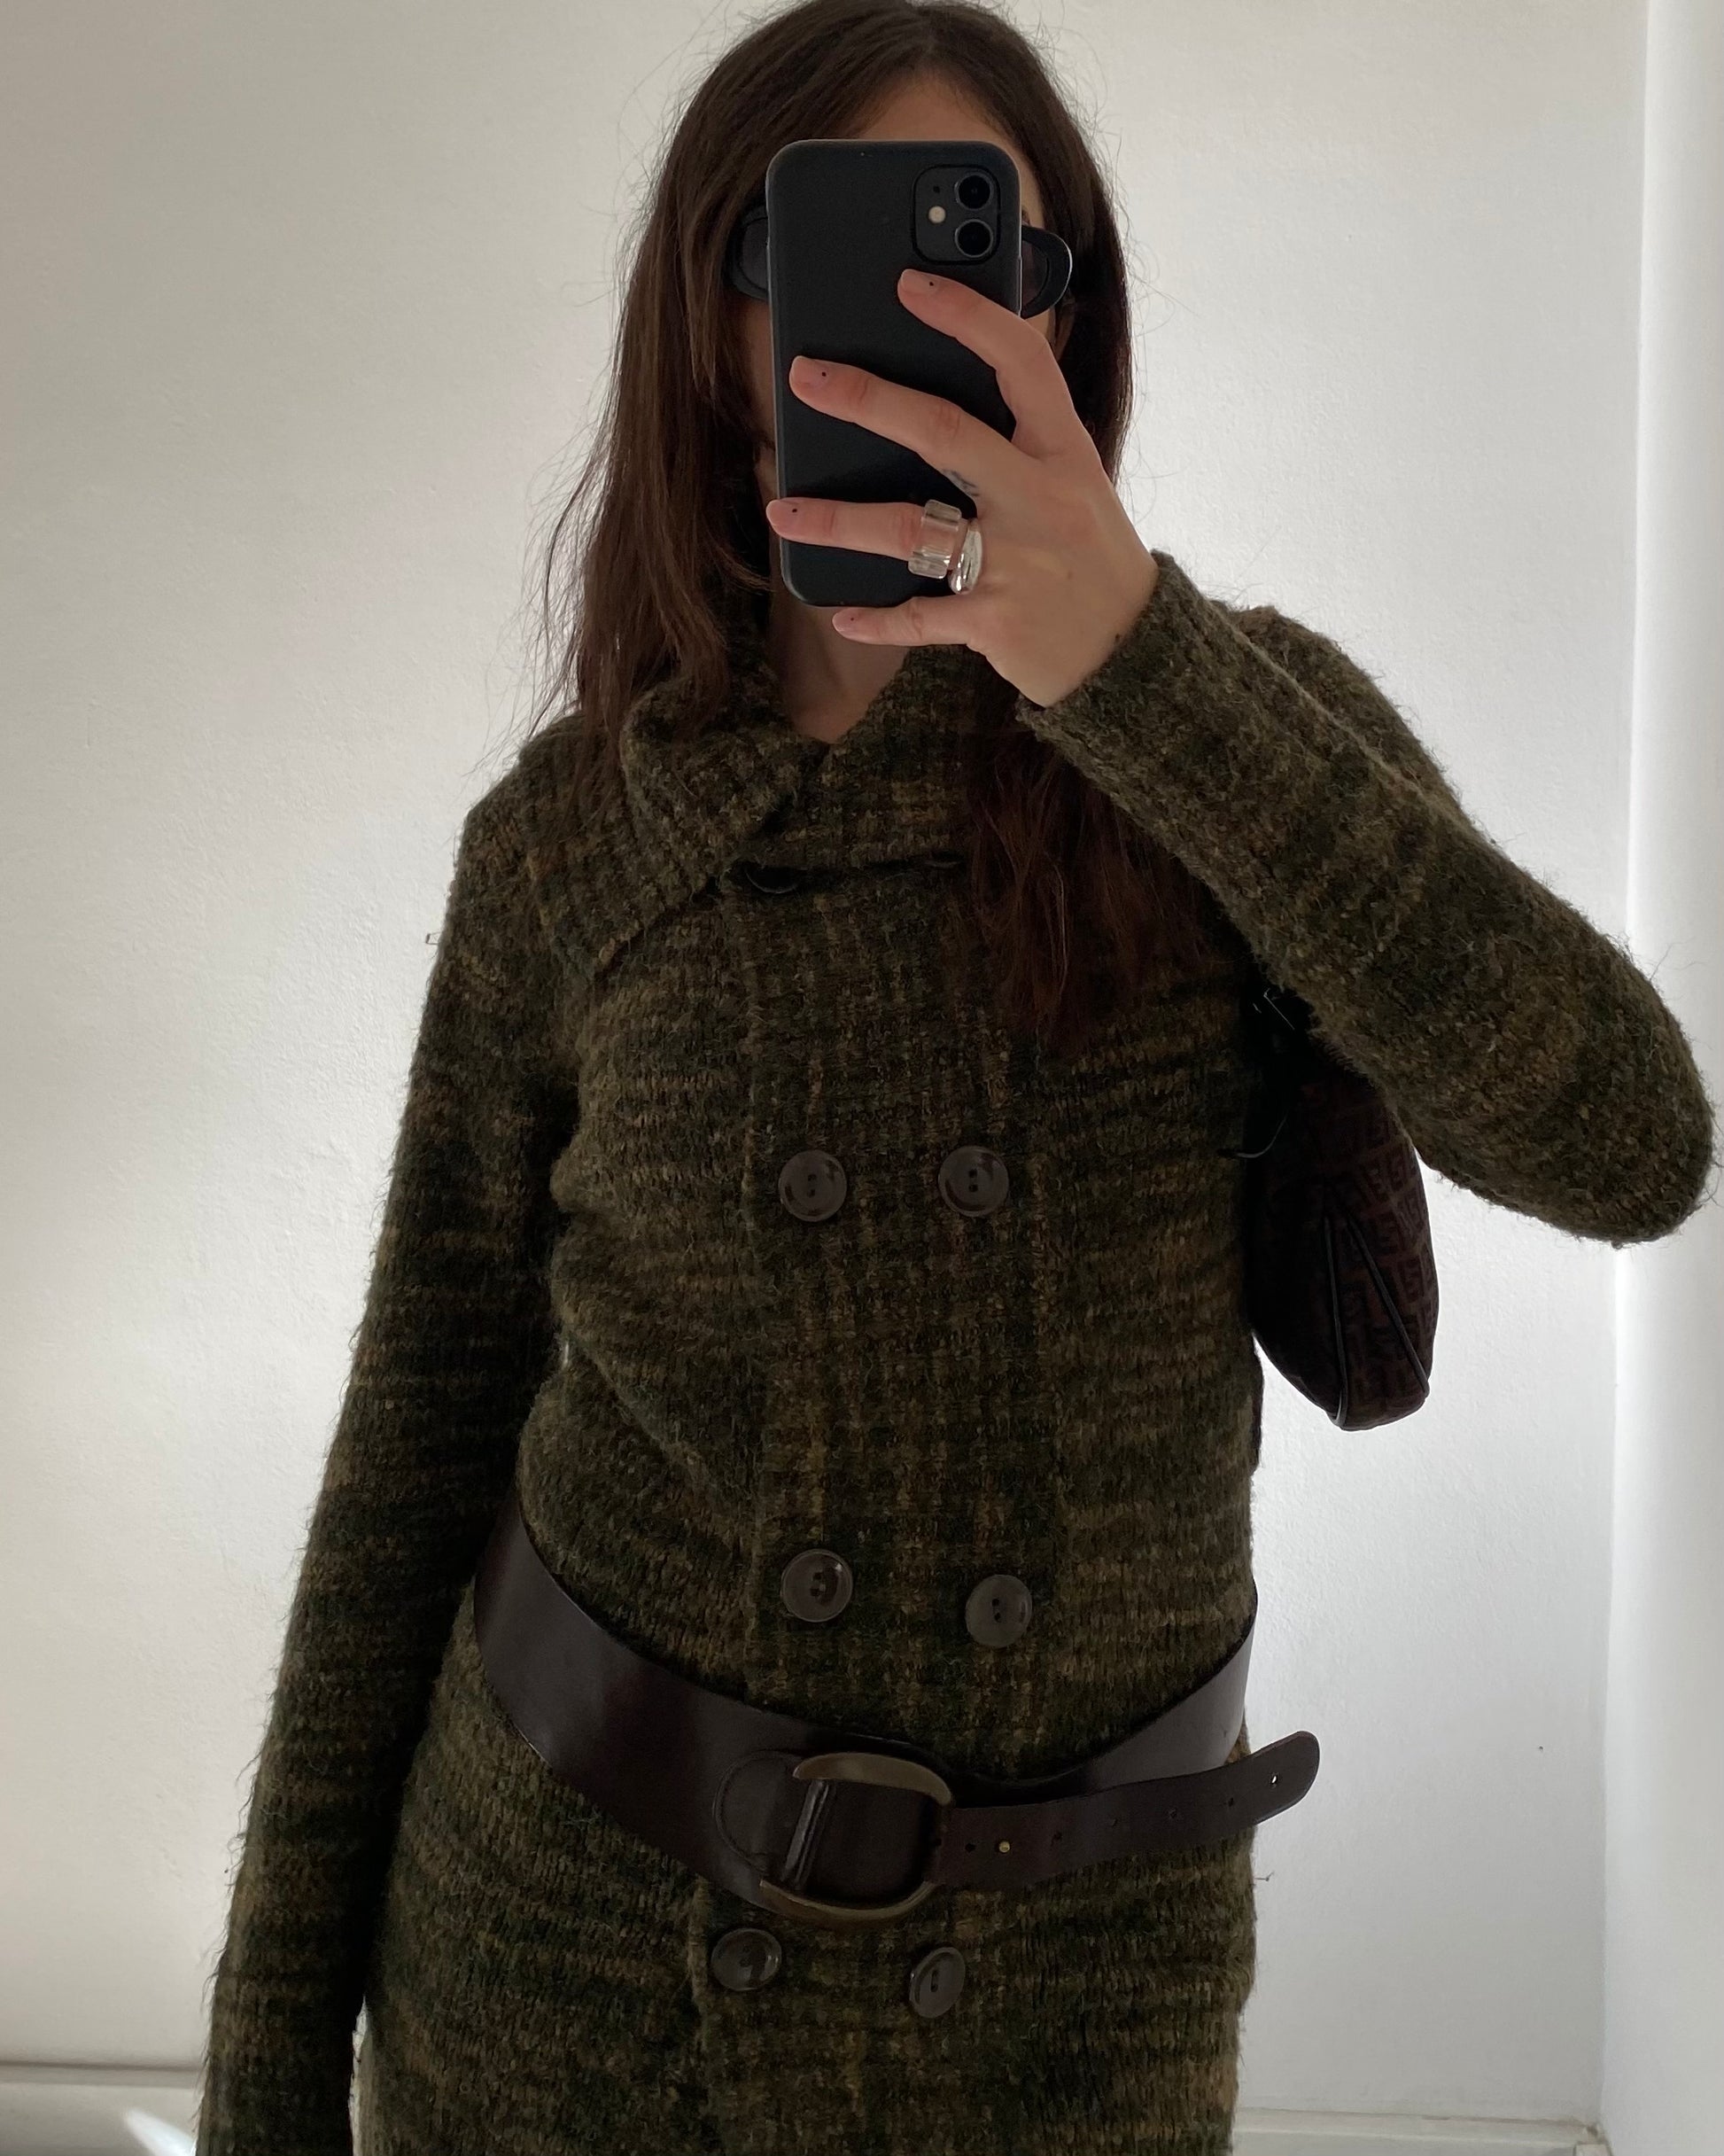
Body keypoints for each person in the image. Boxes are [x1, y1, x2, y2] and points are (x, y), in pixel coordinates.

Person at [192, 4, 1717, 2152]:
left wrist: (1133, 665)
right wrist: (265, 2075)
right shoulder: (567, 838)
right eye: (819, 254)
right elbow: (410, 1456)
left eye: (981, 260)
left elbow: (1628, 1142)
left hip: (1074, 1993)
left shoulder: (1230, 722)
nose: (913, 328)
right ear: (714, 329)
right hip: (574, 1960)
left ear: (1062, 323)